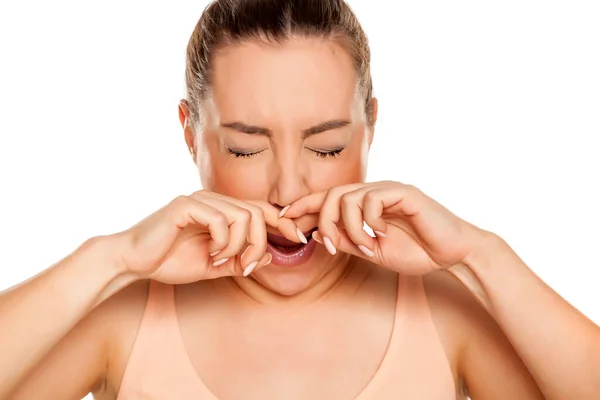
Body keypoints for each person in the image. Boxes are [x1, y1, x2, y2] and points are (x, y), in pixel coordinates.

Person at [1, 0, 599, 399]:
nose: (290, 191)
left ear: (370, 127)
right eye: (243, 150)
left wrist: (481, 255)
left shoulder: (446, 310)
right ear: (190, 135)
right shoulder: (125, 312)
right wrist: (110, 259)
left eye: (328, 147)